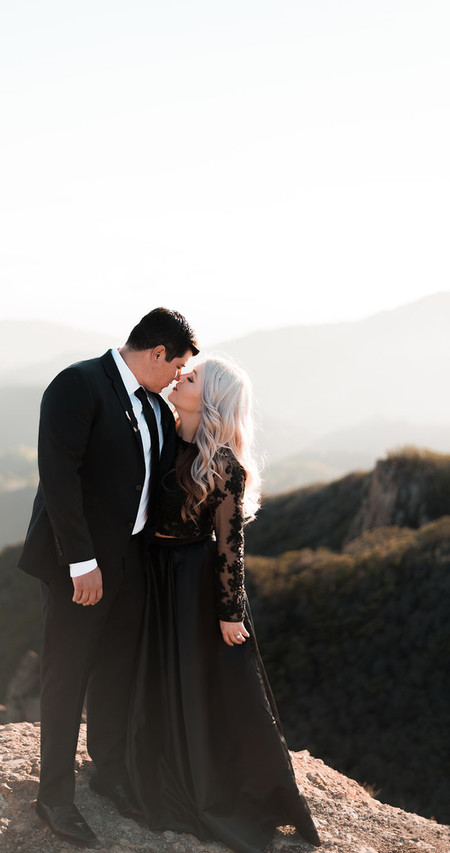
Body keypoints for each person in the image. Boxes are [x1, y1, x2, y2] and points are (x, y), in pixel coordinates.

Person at [18, 307, 199, 847]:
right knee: (67, 676)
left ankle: (108, 772)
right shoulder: (78, 384)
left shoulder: (156, 408)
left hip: (133, 565)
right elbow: (58, 474)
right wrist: (81, 562)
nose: (177, 378)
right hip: (82, 567)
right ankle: (53, 798)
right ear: (157, 353)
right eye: (178, 365)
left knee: (116, 672)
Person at [126, 356, 322, 852]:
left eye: (189, 378)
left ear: (209, 397)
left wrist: (230, 610)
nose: (178, 378)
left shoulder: (225, 467)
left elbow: (229, 545)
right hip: (151, 573)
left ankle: (210, 783)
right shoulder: (163, 438)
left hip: (192, 584)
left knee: (198, 680)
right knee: (152, 672)